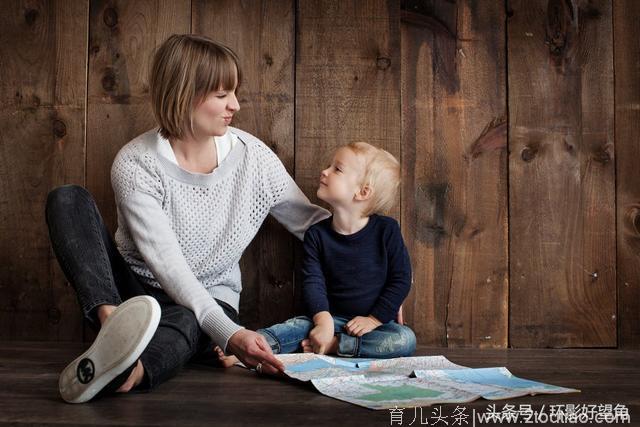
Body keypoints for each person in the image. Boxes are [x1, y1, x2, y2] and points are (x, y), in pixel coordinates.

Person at [45, 33, 330, 403]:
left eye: (234, 92)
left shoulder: (253, 159)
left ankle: (129, 371)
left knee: (187, 319)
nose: (236, 105)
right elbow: (168, 266)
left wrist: (379, 266)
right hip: (133, 290)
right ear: (185, 94)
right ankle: (113, 327)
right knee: (67, 199)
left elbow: (312, 224)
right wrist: (230, 335)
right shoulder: (135, 163)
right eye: (222, 94)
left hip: (209, 298)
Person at [217, 141, 416, 368]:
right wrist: (323, 321)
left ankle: (333, 346)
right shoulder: (317, 235)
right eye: (329, 166)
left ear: (363, 192)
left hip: (374, 325)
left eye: (337, 169)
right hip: (328, 317)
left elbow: (400, 279)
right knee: (293, 328)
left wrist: (374, 319)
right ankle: (246, 349)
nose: (325, 171)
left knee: (404, 339)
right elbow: (313, 282)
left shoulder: (387, 230)